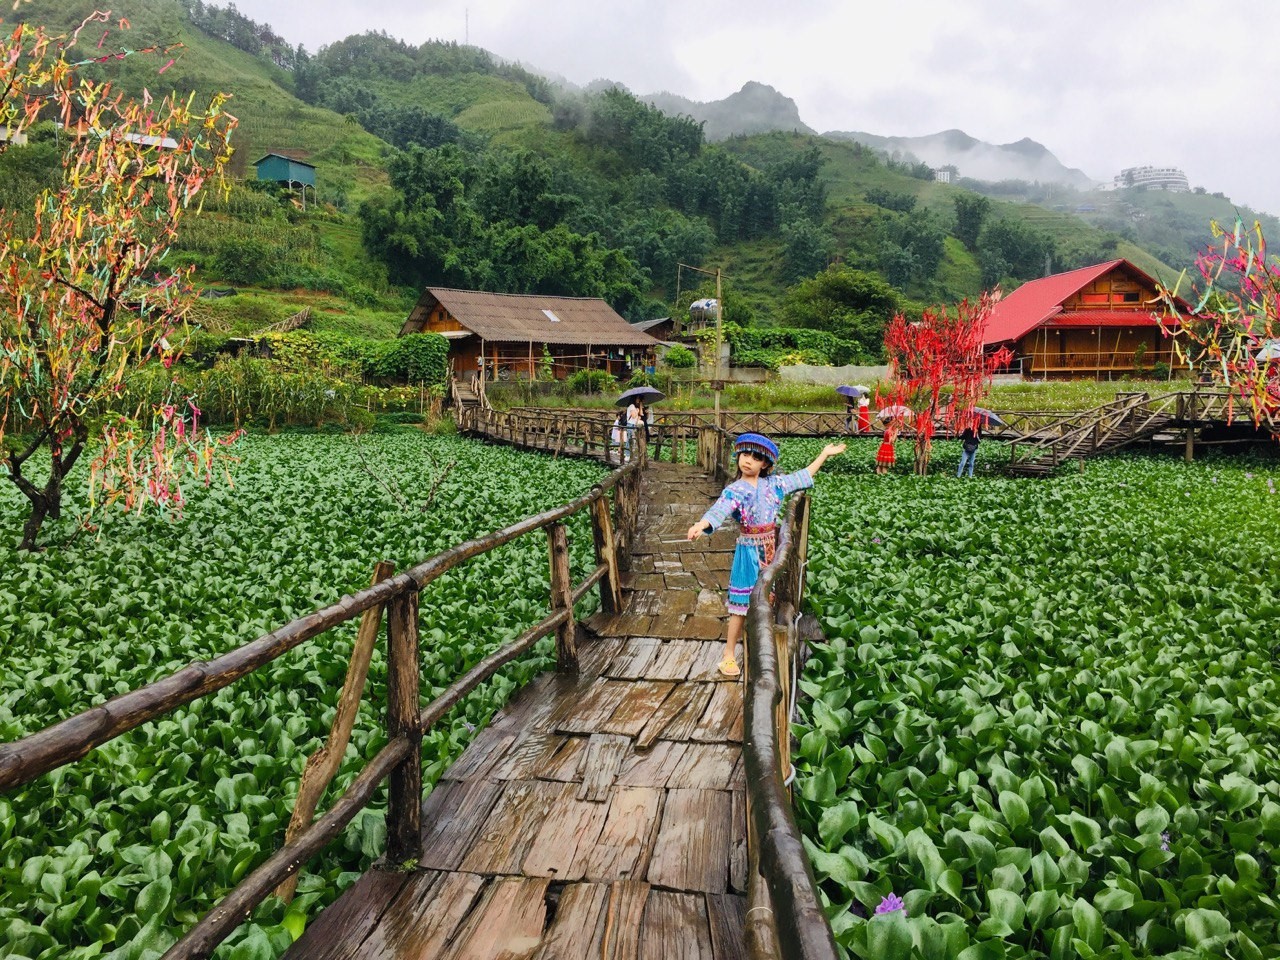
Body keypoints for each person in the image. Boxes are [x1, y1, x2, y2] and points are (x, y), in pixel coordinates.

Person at [687, 433, 846, 678]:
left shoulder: (774, 485)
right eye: (744, 454)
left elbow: (801, 477)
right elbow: (719, 510)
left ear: (765, 465)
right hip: (747, 550)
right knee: (741, 605)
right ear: (738, 456)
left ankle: (758, 647)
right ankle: (729, 654)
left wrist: (824, 454)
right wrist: (701, 524)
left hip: (769, 548)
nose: (747, 461)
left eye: (755, 457)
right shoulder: (735, 490)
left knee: (766, 599)